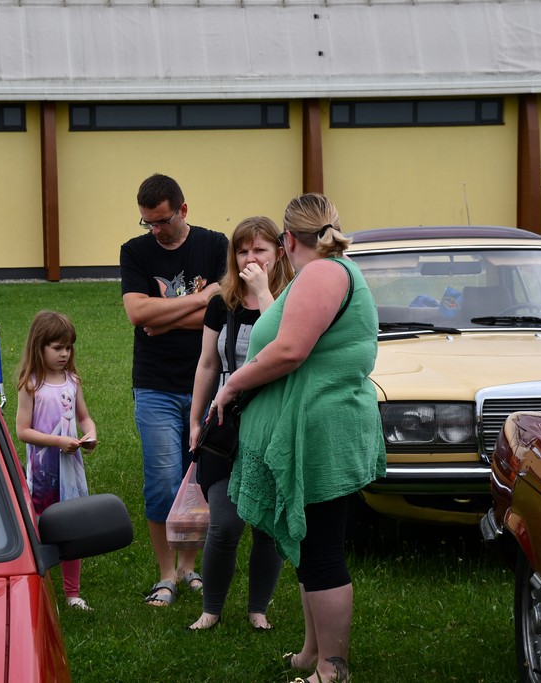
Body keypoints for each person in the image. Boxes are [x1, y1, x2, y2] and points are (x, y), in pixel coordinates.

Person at [212, 194, 386, 683]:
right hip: (315, 427)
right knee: (311, 551)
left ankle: (332, 668)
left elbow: (289, 350)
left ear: (287, 239)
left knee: (323, 553)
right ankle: (313, 653)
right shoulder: (325, 272)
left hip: (320, 431)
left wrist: (231, 384)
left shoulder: (323, 273)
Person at [120, 173, 229, 607]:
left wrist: (163, 318)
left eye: (162, 221)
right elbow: (137, 313)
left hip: (207, 383)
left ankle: (188, 567)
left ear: (183, 210)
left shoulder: (215, 244)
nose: (155, 230)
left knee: (197, 480)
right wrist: (202, 300)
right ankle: (165, 575)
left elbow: (227, 308)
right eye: (147, 222)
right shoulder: (135, 251)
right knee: (162, 482)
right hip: (156, 386)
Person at [186, 216, 294, 631]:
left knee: (266, 525)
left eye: (259, 250)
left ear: (278, 253)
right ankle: (211, 609)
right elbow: (207, 364)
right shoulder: (222, 303)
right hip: (225, 425)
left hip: (271, 424)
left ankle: (257, 609)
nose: (250, 258)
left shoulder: (291, 298)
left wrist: (264, 293)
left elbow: (285, 344)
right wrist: (195, 419)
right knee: (225, 523)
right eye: (242, 250)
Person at [15, 310, 98, 611]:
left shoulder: (71, 381)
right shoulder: (31, 385)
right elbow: (22, 431)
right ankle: (42, 588)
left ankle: (72, 593)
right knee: (44, 527)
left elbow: (83, 417)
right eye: (57, 348)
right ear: (39, 347)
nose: (65, 354)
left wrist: (90, 433)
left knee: (72, 526)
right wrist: (58, 442)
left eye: (69, 347)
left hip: (70, 471)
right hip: (44, 474)